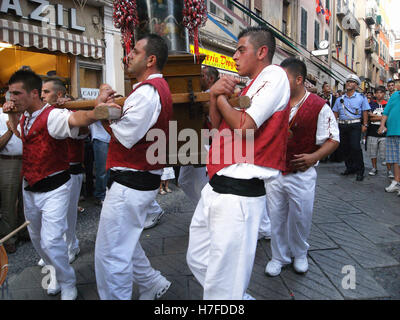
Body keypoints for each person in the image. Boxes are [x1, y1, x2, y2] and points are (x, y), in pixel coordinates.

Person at [186, 26, 291, 300]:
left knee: (223, 281)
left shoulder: (274, 75)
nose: (234, 56)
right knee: (197, 258)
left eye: (240, 49)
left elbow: (244, 127)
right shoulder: (253, 84)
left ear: (262, 52)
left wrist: (219, 96)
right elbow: (216, 125)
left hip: (239, 193)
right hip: (217, 186)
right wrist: (214, 95)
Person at [66, 33, 173, 300]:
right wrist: (105, 110)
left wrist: (102, 109)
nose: (128, 56)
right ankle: (152, 283)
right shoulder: (149, 91)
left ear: (150, 60)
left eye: (135, 52)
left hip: (131, 182)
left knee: (111, 254)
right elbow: (124, 128)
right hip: (136, 180)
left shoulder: (148, 92)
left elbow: (126, 134)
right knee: (125, 243)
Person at [4, 70, 78, 300]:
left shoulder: (53, 115)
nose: (11, 97)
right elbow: (23, 138)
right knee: (37, 239)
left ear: (34, 94)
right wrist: (14, 120)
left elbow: (76, 121)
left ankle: (68, 282)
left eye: (16, 93)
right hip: (31, 187)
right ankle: (54, 272)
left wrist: (96, 111)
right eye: (10, 93)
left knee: (52, 239)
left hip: (55, 186)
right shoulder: (25, 117)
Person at [264, 58, 339, 276]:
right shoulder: (274, 103)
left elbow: (334, 139)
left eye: (284, 79)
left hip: (302, 173)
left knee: (301, 216)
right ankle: (279, 257)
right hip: (275, 171)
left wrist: (313, 157)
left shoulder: (318, 106)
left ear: (299, 80)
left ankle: (300, 253)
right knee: (275, 217)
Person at [37, 78, 85, 267]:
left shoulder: (71, 111)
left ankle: (71, 246)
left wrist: (69, 109)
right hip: (52, 169)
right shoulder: (44, 113)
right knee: (49, 215)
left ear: (58, 95)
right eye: (41, 92)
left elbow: (83, 130)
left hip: (71, 169)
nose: (42, 96)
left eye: (46, 92)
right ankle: (53, 249)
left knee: (67, 214)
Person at [332, 74, 370, 181]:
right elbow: (335, 112)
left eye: (352, 82)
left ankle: (360, 170)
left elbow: (365, 111)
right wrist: (334, 126)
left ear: (356, 85)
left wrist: (365, 125)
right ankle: (350, 168)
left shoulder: (361, 97)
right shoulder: (340, 99)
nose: (349, 83)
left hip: (355, 125)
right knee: (345, 147)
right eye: (348, 81)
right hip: (342, 125)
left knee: (355, 147)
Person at [0, 101, 23, 254]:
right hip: (8, 162)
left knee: (27, 199)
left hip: (28, 161)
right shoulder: (1, 116)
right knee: (8, 201)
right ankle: (9, 238)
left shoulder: (28, 114)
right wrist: (10, 130)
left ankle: (24, 232)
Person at [89, 86, 112, 206]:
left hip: (111, 139)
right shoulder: (94, 102)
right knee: (102, 170)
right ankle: (100, 195)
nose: (109, 91)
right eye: (106, 89)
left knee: (110, 169)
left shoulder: (113, 101)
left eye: (110, 89)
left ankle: (107, 194)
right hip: (100, 139)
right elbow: (99, 113)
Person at [378, 85, 400, 195]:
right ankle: (396, 182)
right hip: (392, 131)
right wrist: (382, 125)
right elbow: (386, 112)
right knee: (395, 159)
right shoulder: (395, 95)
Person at [366, 86, 392, 177]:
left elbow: (389, 117)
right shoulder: (371, 104)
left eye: (381, 92)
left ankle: (389, 170)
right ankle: (374, 168)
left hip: (385, 132)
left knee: (386, 152)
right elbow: (369, 117)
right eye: (377, 92)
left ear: (384, 94)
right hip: (372, 131)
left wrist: (376, 116)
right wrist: (383, 117)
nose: (379, 94)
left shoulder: (388, 104)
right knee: (373, 151)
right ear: (375, 94)